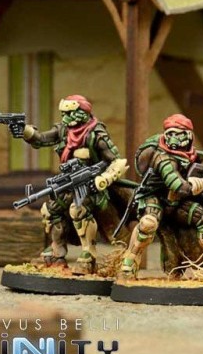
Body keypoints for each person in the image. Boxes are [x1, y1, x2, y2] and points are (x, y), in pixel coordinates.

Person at [20, 94, 127, 274]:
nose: (65, 117)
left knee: (78, 210)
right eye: (63, 113)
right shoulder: (63, 130)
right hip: (68, 181)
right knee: (51, 211)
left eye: (69, 113)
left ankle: (88, 254)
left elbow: (117, 161)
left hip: (91, 186)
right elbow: (41, 139)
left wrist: (103, 179)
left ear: (82, 113)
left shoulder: (96, 134)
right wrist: (24, 130)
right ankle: (57, 251)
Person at [120, 114, 203, 279]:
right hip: (154, 197)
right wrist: (202, 184)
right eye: (170, 133)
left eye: (178, 134)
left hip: (176, 201)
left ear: (189, 135)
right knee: (148, 224)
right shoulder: (163, 157)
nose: (174, 138)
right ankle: (129, 262)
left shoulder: (191, 154)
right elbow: (178, 186)